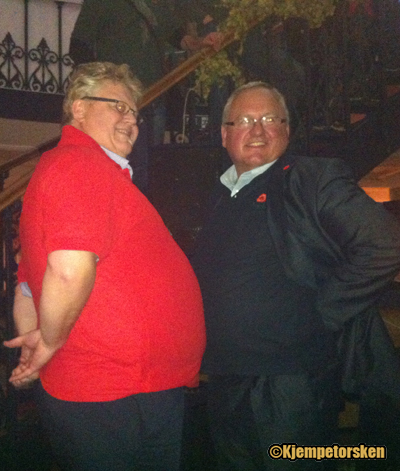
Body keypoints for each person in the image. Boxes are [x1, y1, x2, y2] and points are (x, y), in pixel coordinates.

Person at [4, 62, 205, 471]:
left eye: (135, 113)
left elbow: (27, 284)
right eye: (119, 106)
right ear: (79, 108)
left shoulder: (81, 173)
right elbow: (68, 271)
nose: (132, 120)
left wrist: (35, 344)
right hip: (115, 393)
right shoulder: (79, 163)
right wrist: (50, 344)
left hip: (123, 387)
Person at [190, 81, 400, 470]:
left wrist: (323, 311)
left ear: (286, 131)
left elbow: (386, 243)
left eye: (270, 119)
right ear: (224, 135)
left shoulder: (309, 178)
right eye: (244, 121)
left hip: (289, 386)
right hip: (225, 380)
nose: (257, 130)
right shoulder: (220, 194)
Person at [69, 0, 220, 193]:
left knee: (149, 170)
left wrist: (199, 42)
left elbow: (177, 36)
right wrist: (99, 91)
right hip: (118, 106)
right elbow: (80, 46)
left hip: (154, 99)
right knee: (119, 166)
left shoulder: (159, 5)